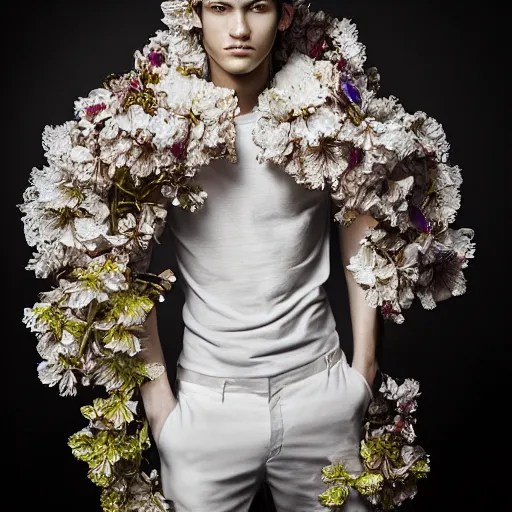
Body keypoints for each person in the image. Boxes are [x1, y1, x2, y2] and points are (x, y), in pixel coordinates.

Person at [140, 1, 379, 511]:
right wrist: (159, 407)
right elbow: (122, 268)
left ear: (285, 16)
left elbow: (362, 221)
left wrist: (364, 368)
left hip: (321, 391)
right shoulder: (159, 133)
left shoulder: (324, 117)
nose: (240, 28)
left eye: (258, 8)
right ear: (196, 16)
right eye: (221, 8)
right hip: (208, 407)